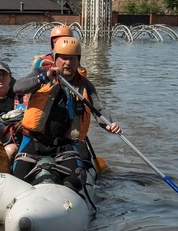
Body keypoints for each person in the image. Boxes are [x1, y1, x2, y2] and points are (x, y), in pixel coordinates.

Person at [13, 37, 121, 191]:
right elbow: (18, 87)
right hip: (35, 140)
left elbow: (98, 108)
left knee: (75, 181)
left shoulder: (84, 85)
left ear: (78, 61)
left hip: (64, 144)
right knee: (17, 179)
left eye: (72, 59)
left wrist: (110, 124)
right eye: (63, 58)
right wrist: (46, 77)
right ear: (56, 59)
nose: (67, 63)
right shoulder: (41, 73)